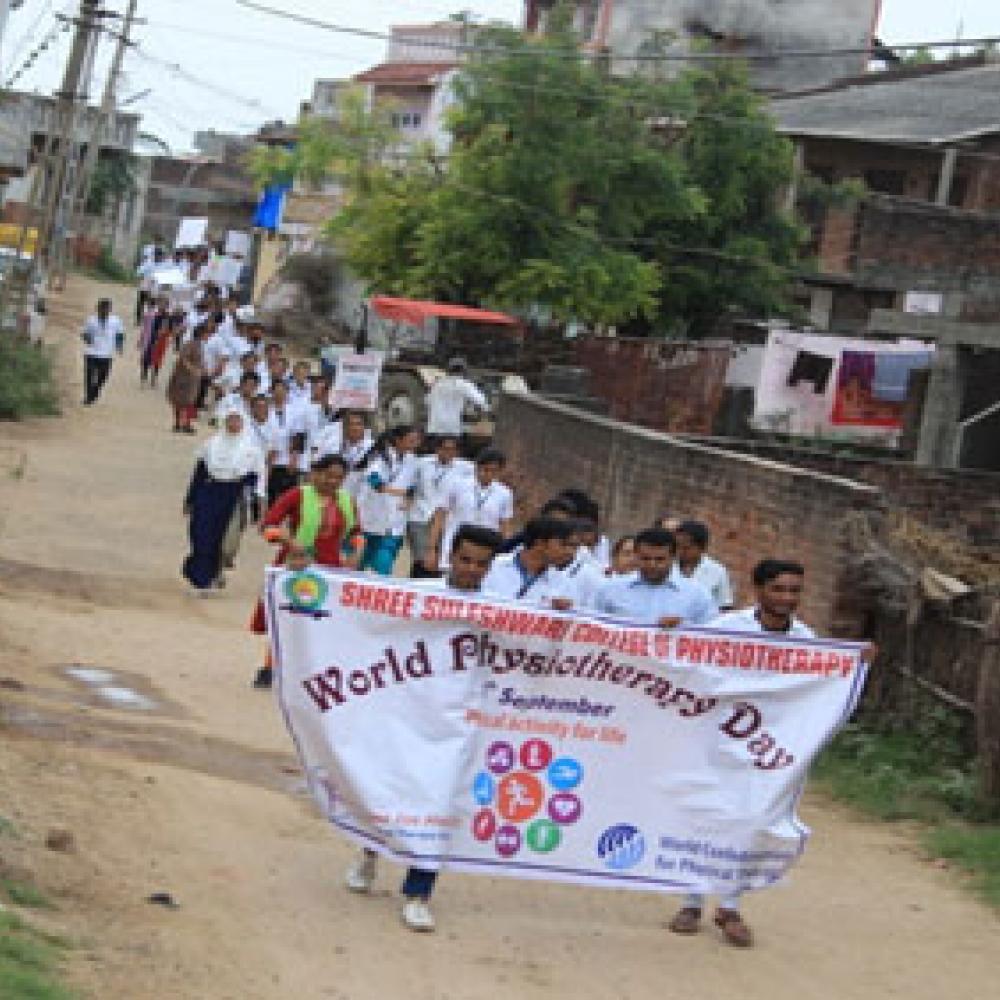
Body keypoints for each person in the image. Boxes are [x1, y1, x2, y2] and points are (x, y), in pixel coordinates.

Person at [666, 559, 874, 948]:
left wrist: (855, 665)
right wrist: (665, 635)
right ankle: (691, 900)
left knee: (752, 819)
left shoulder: (806, 639)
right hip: (716, 739)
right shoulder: (725, 629)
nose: (786, 598)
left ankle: (729, 904)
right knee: (705, 814)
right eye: (778, 589)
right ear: (758, 590)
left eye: (794, 591)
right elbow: (683, 661)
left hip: (767, 749)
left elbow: (823, 687)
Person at [345, 523, 504, 932]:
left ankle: (419, 892)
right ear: (451, 555)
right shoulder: (417, 595)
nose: (470, 570)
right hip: (407, 715)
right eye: (464, 560)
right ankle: (369, 855)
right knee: (389, 793)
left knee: (438, 807)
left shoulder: (501, 610)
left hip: (457, 727)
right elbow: (361, 613)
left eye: (480, 564)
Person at [250, 454, 363, 688]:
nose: (333, 482)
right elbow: (268, 526)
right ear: (315, 474)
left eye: (339, 478)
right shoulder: (297, 495)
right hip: (294, 565)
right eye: (328, 475)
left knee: (321, 620)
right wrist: (289, 542)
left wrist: (355, 554)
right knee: (286, 615)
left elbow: (357, 534)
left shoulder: (347, 501)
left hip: (330, 569)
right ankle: (269, 667)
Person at [182, 409, 265, 596]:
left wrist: (257, 507)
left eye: (237, 420)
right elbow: (200, 472)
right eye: (230, 420)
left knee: (226, 540)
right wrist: (190, 498)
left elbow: (257, 479)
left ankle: (214, 571)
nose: (233, 424)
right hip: (209, 492)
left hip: (234, 496)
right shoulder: (212, 444)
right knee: (201, 533)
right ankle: (200, 578)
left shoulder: (251, 450)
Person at [593, 528, 716, 627]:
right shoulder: (610, 589)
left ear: (674, 557)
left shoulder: (697, 595)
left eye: (660, 559)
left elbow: (712, 635)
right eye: (645, 558)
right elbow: (591, 625)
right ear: (636, 555)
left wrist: (684, 627)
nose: (652, 565)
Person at [425, 448, 514, 572]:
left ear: (500, 471)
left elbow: (505, 526)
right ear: (476, 467)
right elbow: (440, 516)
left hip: (486, 546)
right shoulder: (457, 484)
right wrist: (432, 549)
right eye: (484, 469)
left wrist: (507, 554)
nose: (487, 474)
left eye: (493, 471)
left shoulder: (504, 493)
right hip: (456, 542)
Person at [356, 425, 421, 575]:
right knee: (359, 563)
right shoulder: (379, 456)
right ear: (398, 440)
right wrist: (401, 492)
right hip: (370, 520)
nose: (415, 443)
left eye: (416, 440)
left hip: (395, 522)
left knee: (384, 566)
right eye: (411, 440)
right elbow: (375, 482)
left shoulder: (413, 460)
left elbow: (412, 485)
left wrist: (409, 499)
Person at [407, 435, 470, 579]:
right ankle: (415, 585)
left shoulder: (466, 468)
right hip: (420, 515)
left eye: (453, 450)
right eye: (445, 449)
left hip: (445, 519)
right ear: (437, 449)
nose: (449, 453)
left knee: (439, 558)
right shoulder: (422, 463)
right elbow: (409, 482)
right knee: (422, 557)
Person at [482, 517, 576, 608]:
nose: (569, 552)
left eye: (571, 546)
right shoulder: (493, 565)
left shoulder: (562, 581)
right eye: (563, 545)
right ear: (540, 543)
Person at [671, 520, 736, 611]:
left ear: (702, 548)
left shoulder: (717, 571)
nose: (680, 551)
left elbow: (725, 606)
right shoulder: (668, 567)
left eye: (686, 548)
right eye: (677, 546)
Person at [167, 319, 212, 433]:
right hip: (184, 377)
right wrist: (192, 369)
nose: (209, 335)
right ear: (202, 334)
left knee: (187, 401)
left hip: (191, 377)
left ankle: (181, 423)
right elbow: (184, 358)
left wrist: (203, 370)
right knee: (183, 401)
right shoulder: (191, 344)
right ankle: (182, 424)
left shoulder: (198, 345)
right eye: (207, 333)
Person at [425, 357, 488, 439]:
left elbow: (427, 401)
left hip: (434, 428)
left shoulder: (438, 384)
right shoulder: (463, 384)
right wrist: (487, 409)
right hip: (450, 429)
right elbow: (481, 401)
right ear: (463, 371)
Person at [81, 298, 124, 405]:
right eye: (102, 308)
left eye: (107, 308)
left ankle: (95, 391)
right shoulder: (91, 320)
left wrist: (119, 346)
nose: (104, 311)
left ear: (110, 310)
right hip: (91, 352)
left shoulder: (116, 320)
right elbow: (85, 333)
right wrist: (87, 338)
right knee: (89, 376)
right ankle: (88, 397)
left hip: (107, 354)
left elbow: (120, 334)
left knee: (103, 377)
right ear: (98, 309)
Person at [265, 380, 300, 508]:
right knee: (269, 494)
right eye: (277, 390)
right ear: (272, 391)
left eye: (283, 390)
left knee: (286, 496)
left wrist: (294, 459)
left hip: (286, 459)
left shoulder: (293, 411)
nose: (280, 394)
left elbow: (296, 436)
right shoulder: (265, 408)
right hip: (268, 458)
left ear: (287, 393)